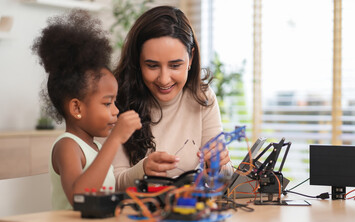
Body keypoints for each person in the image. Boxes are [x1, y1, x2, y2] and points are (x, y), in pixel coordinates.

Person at [113, 5, 232, 191]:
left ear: (191, 58)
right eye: (152, 66)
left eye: (175, 65)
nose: (164, 79)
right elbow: (110, 185)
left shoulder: (203, 97)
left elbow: (225, 179)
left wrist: (218, 167)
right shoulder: (114, 101)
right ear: (138, 61)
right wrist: (142, 170)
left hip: (184, 212)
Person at [32, 10, 142, 210]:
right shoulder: (67, 146)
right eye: (107, 103)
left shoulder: (97, 149)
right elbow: (79, 198)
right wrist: (115, 139)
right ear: (76, 108)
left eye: (115, 102)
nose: (116, 111)